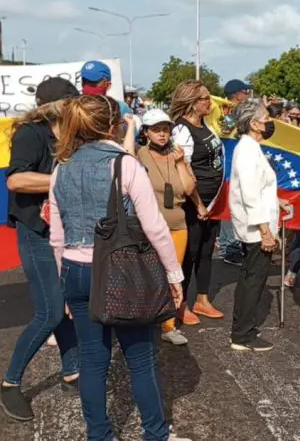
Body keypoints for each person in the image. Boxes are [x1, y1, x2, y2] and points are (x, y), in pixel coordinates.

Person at [49, 94, 190, 441]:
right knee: (140, 358)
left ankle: (99, 435)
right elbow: (155, 226)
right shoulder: (125, 165)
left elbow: (57, 235)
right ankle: (155, 434)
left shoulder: (60, 168)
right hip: (119, 269)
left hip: (74, 269)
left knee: (93, 362)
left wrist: (63, 285)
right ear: (114, 126)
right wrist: (174, 274)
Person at [0, 77, 81, 422]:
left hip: (64, 232)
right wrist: (66, 179)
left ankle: (73, 371)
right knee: (50, 311)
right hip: (37, 232)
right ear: (56, 105)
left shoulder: (70, 134)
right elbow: (16, 180)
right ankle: (8, 383)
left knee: (64, 303)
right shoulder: (31, 134)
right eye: (72, 101)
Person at [133, 109, 197, 345]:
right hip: (149, 226)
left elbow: (189, 189)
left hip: (177, 224)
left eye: (165, 129)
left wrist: (180, 163)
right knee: (147, 275)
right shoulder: (139, 155)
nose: (162, 134)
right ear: (146, 132)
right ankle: (142, 322)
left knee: (173, 275)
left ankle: (168, 326)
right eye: (156, 129)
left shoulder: (177, 154)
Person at [228, 98, 286, 352]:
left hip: (257, 225)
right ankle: (242, 334)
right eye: (265, 118)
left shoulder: (251, 148)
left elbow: (259, 188)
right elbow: (250, 195)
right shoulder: (247, 150)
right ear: (253, 124)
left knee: (251, 278)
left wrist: (278, 201)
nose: (269, 122)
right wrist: (265, 232)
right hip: (255, 230)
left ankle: (243, 328)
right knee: (253, 280)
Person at [170, 80, 225, 325]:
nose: (210, 102)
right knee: (189, 253)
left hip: (213, 200)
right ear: (192, 102)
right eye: (205, 98)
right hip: (195, 202)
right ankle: (179, 303)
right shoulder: (181, 130)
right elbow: (186, 168)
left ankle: (202, 299)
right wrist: (199, 203)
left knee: (206, 250)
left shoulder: (205, 125)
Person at [218, 79, 252, 266]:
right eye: (246, 92)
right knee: (231, 207)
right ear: (238, 94)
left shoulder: (239, 112)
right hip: (230, 166)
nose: (248, 95)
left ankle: (234, 245)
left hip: (239, 164)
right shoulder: (230, 113)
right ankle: (229, 248)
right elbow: (224, 130)